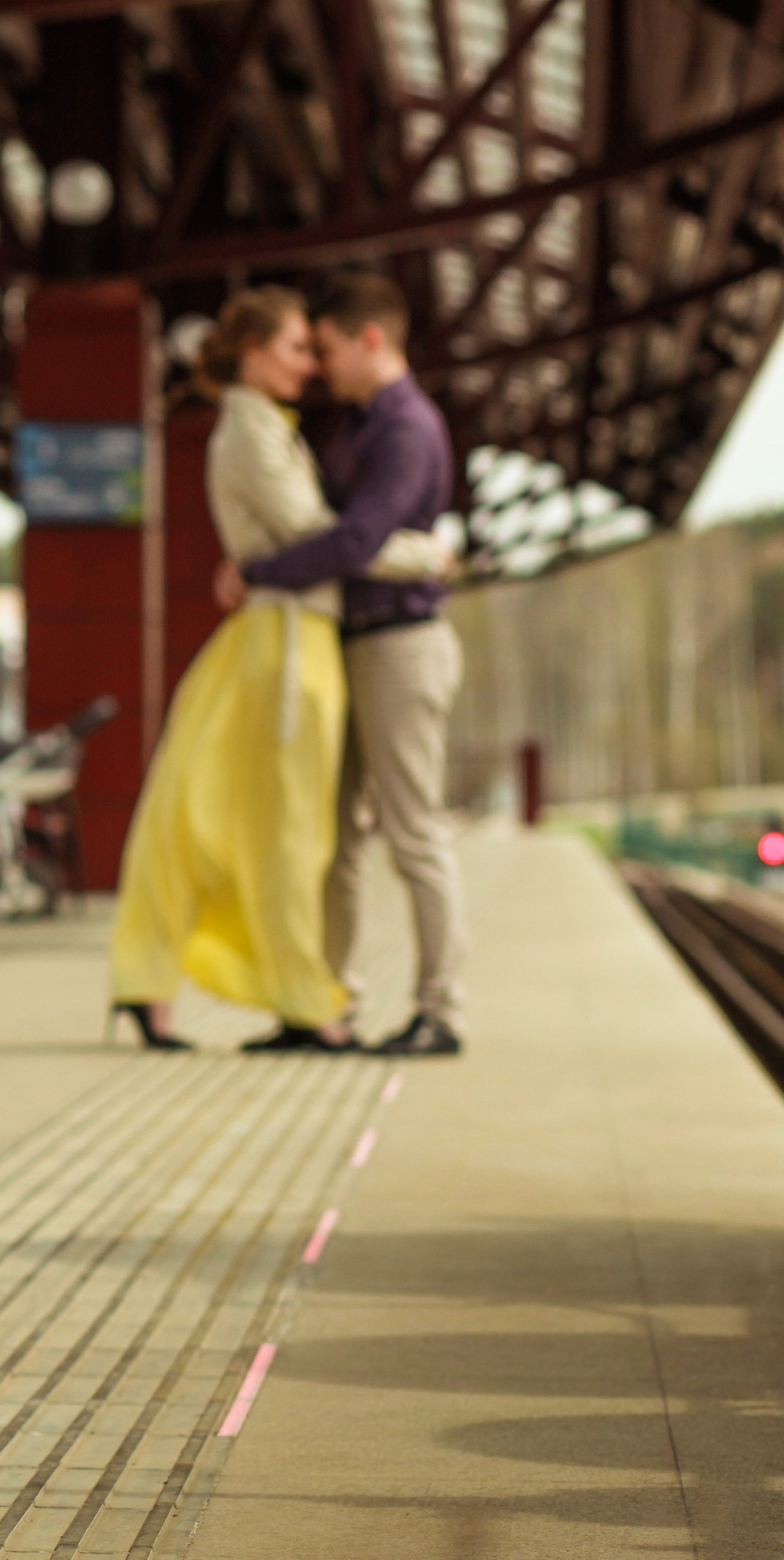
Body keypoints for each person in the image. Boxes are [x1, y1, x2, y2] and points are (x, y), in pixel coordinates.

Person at [109, 287, 446, 1051]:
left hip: (291, 634)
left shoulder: (266, 425)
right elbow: (324, 534)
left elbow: (309, 539)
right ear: (253, 352)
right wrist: (425, 552)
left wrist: (258, 566)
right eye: (298, 348)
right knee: (286, 835)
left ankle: (158, 984)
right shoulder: (253, 429)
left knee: (213, 817)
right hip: (291, 643)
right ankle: (304, 1003)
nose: (310, 366)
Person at [228, 273, 465, 1058]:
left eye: (324, 349)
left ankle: (440, 1009)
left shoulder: (403, 427)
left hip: (401, 644)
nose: (319, 367)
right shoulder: (357, 424)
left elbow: (354, 539)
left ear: (370, 339)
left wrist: (257, 570)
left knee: (411, 830)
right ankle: (326, 1004)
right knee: (335, 837)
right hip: (355, 644)